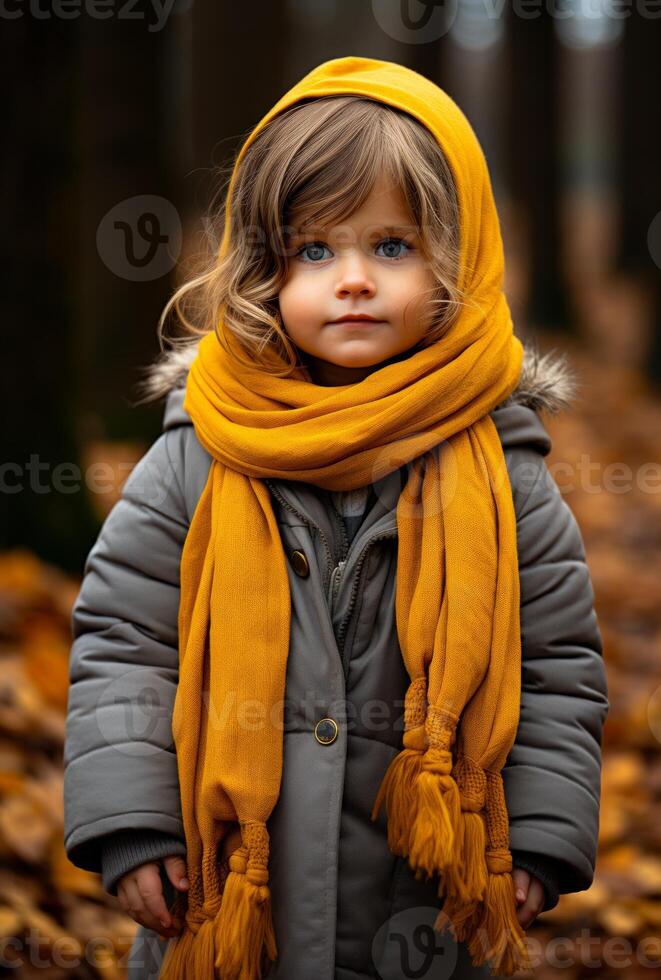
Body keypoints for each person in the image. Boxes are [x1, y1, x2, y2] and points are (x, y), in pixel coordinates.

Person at [63, 56, 610, 980]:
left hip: (423, 915)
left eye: (391, 246)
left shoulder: (505, 475)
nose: (352, 279)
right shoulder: (199, 454)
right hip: (226, 909)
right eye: (315, 251)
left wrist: (540, 837)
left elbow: (557, 667)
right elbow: (125, 643)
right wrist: (133, 822)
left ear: (459, 259)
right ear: (259, 267)